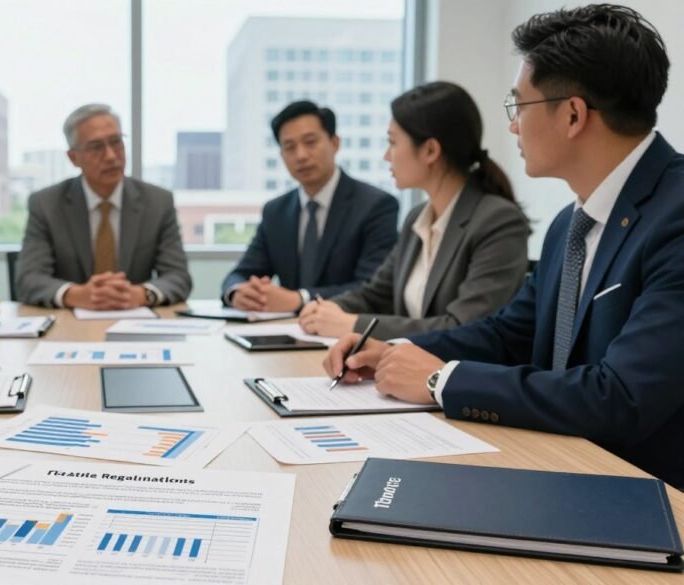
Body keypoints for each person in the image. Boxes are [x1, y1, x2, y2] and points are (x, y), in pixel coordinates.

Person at [324, 5, 684, 488]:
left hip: (647, 496)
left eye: (519, 106)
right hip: (560, 468)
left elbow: (619, 397)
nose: (512, 126)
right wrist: (393, 350)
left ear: (573, 115)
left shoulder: (674, 216)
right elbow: (508, 334)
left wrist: (440, 381)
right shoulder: (569, 225)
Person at [299, 82, 529, 340]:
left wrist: (352, 324)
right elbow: (375, 295)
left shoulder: (498, 221)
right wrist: (327, 310)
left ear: (430, 150)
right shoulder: (417, 218)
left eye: (393, 142)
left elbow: (465, 327)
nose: (387, 156)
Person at [221, 101, 398, 313]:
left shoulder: (375, 205)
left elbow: (371, 289)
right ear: (281, 156)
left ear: (335, 143)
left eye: (310, 142)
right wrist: (238, 292)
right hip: (285, 333)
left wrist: (301, 299)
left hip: (346, 333)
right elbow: (241, 273)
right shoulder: (276, 211)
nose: (301, 155)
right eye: (289, 147)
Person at [16, 104, 191, 309]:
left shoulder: (158, 202)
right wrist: (77, 295)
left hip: (134, 323)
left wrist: (141, 294)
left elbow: (178, 276)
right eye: (96, 147)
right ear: (74, 158)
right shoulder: (46, 204)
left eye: (116, 142)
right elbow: (28, 279)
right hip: (70, 327)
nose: (110, 156)